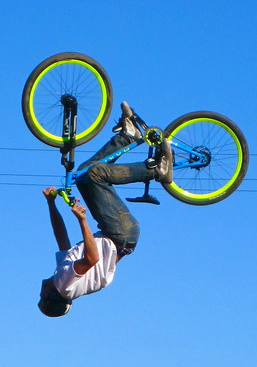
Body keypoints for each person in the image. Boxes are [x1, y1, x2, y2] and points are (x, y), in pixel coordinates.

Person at [38, 102, 173, 316]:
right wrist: (82, 220)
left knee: (83, 175)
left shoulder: (62, 275)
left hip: (120, 235)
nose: (39, 290)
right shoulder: (64, 284)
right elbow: (92, 259)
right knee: (95, 175)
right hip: (119, 233)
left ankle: (128, 136)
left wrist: (51, 204)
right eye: (40, 296)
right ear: (50, 296)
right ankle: (158, 170)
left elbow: (60, 236)